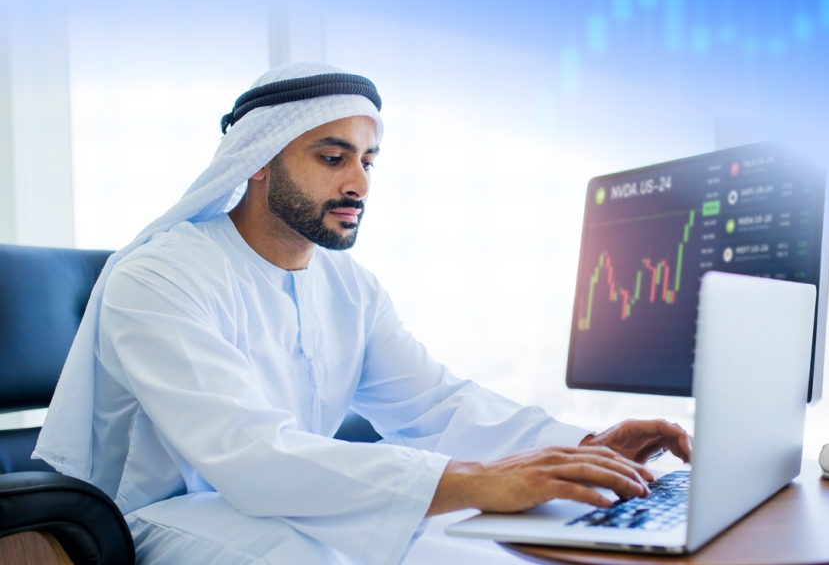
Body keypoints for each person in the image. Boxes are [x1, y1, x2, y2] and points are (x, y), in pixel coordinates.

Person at [35, 62, 691, 565]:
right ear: (258, 159)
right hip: (160, 516)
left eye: (368, 161)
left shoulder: (349, 286)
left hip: (289, 499)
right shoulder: (159, 277)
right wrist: (479, 479)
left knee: (475, 543)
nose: (359, 184)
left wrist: (581, 450)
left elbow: (438, 405)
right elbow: (249, 455)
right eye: (332, 158)